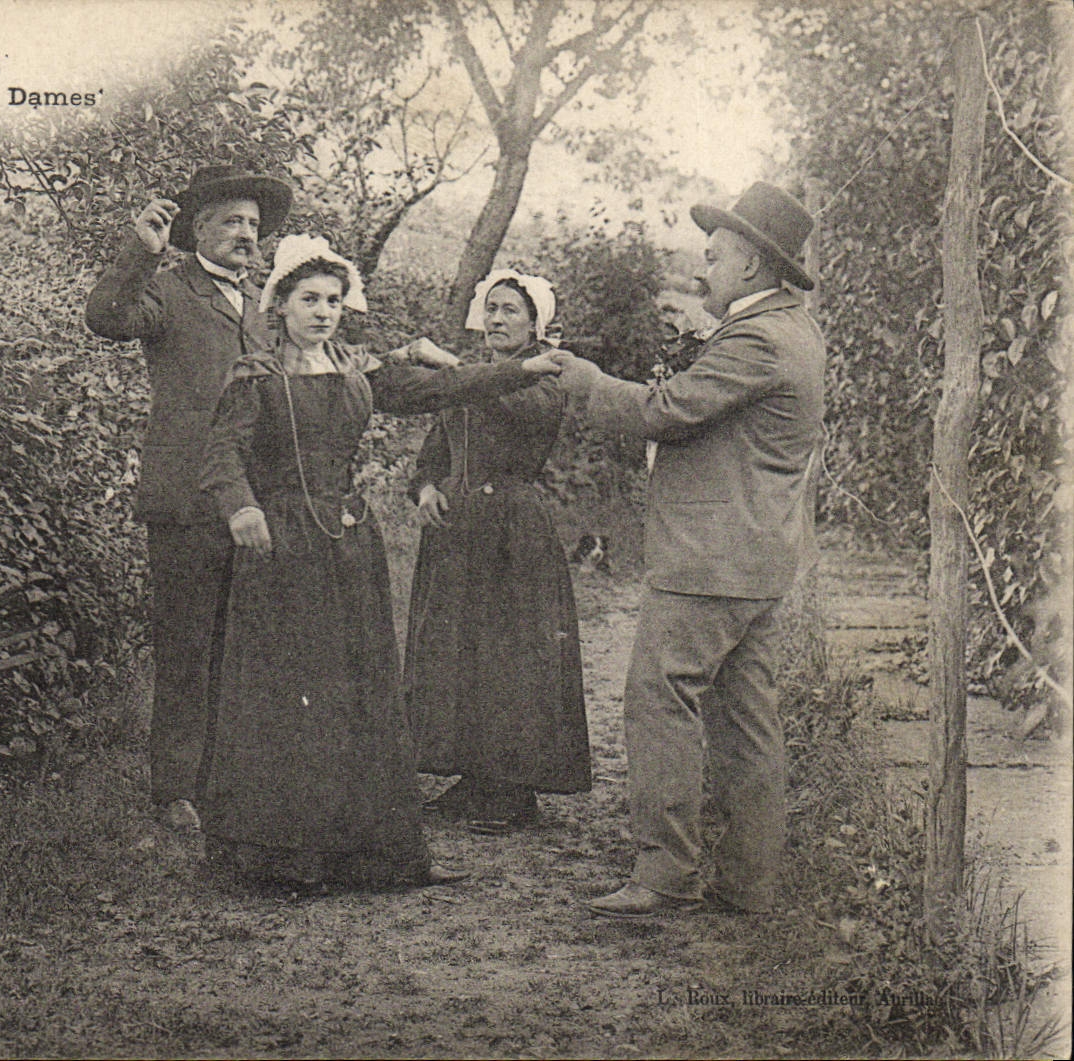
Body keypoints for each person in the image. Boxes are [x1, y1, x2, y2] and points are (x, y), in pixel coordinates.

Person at [198, 236, 557, 888]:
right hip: (280, 547)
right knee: (289, 696)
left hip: (347, 549)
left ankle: (357, 849)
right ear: (279, 304)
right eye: (309, 299)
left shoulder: (357, 369)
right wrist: (240, 507)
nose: (324, 311)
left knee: (353, 693)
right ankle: (283, 853)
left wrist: (518, 371)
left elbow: (440, 388)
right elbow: (221, 454)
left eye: (334, 300)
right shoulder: (256, 374)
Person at [534, 183, 826, 918]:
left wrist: (590, 383)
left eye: (716, 254)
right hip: (756, 560)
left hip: (709, 562)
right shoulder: (794, 329)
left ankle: (664, 873)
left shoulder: (757, 338)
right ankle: (749, 882)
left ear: (755, 265)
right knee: (746, 719)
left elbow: (668, 411)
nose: (705, 266)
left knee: (659, 702)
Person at [84, 165, 293, 831]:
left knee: (246, 642)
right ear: (195, 230)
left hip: (252, 501)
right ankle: (176, 787)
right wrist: (140, 252)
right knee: (187, 645)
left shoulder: (265, 306)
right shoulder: (170, 291)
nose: (244, 234)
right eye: (231, 221)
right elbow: (106, 316)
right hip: (184, 501)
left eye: (253, 225)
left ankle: (231, 776)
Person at [405, 271, 591, 830]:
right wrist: (426, 489)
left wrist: (448, 368)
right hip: (457, 532)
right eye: (491, 309)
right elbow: (432, 452)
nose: (497, 319)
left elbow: (518, 414)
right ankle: (473, 777)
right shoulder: (473, 375)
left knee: (511, 657)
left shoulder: (546, 376)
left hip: (512, 530)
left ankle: (513, 790)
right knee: (461, 652)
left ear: (536, 324)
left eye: (511, 310)